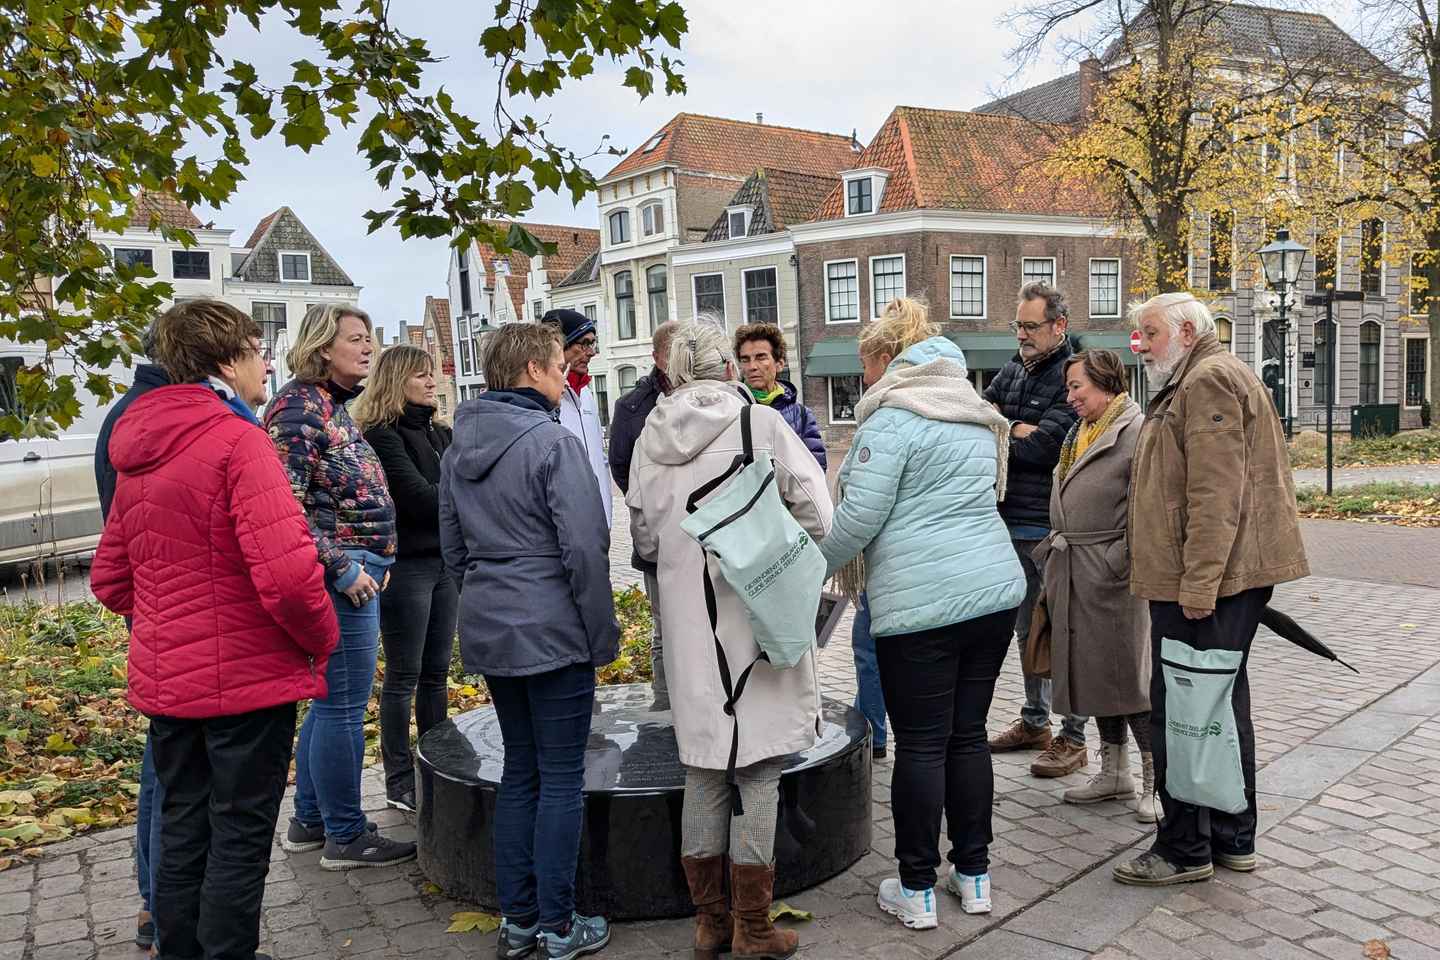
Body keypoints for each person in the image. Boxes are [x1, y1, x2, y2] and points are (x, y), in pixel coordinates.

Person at [90, 300, 339, 960]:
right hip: (249, 687)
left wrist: (173, 622)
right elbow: (288, 579)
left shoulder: (137, 449)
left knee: (181, 829)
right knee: (237, 837)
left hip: (170, 684)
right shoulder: (238, 440)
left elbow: (111, 581)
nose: (266, 365)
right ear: (228, 360)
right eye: (259, 350)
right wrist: (321, 638)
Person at [627, 319, 832, 960]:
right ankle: (755, 927)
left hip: (690, 623)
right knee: (762, 769)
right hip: (756, 613)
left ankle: (709, 923)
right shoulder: (761, 426)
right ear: (729, 370)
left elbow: (644, 542)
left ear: (675, 372)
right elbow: (819, 512)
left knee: (704, 770)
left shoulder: (647, 442)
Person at [820, 298, 1025, 930]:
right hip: (992, 593)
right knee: (967, 737)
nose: (865, 381)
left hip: (921, 607)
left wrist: (809, 563)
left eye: (867, 366)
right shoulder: (973, 411)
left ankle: (916, 889)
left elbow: (858, 518)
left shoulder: (892, 419)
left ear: (887, 360)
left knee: (920, 746)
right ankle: (975, 876)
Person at [1114, 293, 1309, 887]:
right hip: (1213, 580)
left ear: (1188, 331)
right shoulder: (1203, 378)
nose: (1139, 345)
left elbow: (1215, 495)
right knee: (1216, 707)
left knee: (1185, 712)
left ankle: (1183, 848)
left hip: (1204, 585)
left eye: (1148, 332)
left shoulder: (1207, 382)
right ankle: (1230, 837)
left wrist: (1198, 584)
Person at [440, 322, 619, 960]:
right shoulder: (553, 442)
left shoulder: (458, 446)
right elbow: (586, 549)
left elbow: (454, 549)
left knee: (521, 771)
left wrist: (490, 601)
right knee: (562, 776)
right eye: (554, 366)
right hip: (554, 630)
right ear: (535, 371)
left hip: (494, 626)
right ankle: (559, 924)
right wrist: (601, 635)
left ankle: (518, 922)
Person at [265, 304, 413, 870]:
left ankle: (310, 820)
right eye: (357, 338)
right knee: (342, 708)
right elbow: (285, 507)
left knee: (332, 704)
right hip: (341, 579)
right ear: (324, 347)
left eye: (370, 336)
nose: (369, 347)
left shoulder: (330, 406)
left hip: (362, 567)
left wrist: (380, 552)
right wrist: (342, 567)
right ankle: (346, 835)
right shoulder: (298, 411)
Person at [1032, 350, 1156, 821]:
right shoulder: (1078, 432)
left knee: (1130, 680)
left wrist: (1117, 561)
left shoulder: (1135, 432)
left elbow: (1146, 507)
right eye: (1067, 388)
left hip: (1110, 576)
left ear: (1105, 382)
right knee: (1096, 675)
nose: (1070, 397)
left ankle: (1154, 783)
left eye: (1076, 387)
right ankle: (1114, 772)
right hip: (1073, 568)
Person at [984, 282, 1088, 779]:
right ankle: (1034, 721)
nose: (1021, 335)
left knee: (1062, 632)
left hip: (1049, 527)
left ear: (1058, 326)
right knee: (1028, 632)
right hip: (1008, 522)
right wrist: (1012, 426)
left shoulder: (1074, 377)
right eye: (1018, 326)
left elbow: (1046, 449)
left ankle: (1074, 736)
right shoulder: (1012, 368)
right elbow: (979, 421)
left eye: (1030, 326)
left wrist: (1009, 430)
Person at [92, 322, 170, 955]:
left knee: (165, 763)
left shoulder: (133, 414)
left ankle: (155, 897)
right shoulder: (153, 422)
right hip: (181, 619)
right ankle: (160, 902)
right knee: (173, 769)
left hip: (163, 615)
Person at [352, 344, 458, 814]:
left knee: (437, 674)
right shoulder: (382, 436)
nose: (431, 381)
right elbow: (418, 498)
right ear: (397, 382)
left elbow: (451, 492)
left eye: (431, 374)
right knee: (403, 676)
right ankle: (398, 779)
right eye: (421, 375)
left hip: (444, 565)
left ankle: (438, 766)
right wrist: (457, 495)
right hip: (408, 567)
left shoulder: (440, 433)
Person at [607, 319, 680, 709]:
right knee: (663, 627)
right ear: (656, 357)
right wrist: (649, 503)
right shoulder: (631, 407)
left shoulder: (712, 395)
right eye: (671, 352)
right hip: (657, 537)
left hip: (703, 537)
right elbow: (620, 465)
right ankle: (665, 704)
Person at [543, 308, 612, 527]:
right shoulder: (544, 401)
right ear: (559, 346)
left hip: (598, 525)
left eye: (593, 344)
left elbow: (599, 459)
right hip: (567, 528)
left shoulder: (587, 395)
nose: (591, 352)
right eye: (584, 343)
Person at [733, 323, 826, 470]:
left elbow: (816, 469)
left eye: (760, 357)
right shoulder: (733, 412)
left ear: (779, 364)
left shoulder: (801, 416)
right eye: (745, 360)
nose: (752, 367)